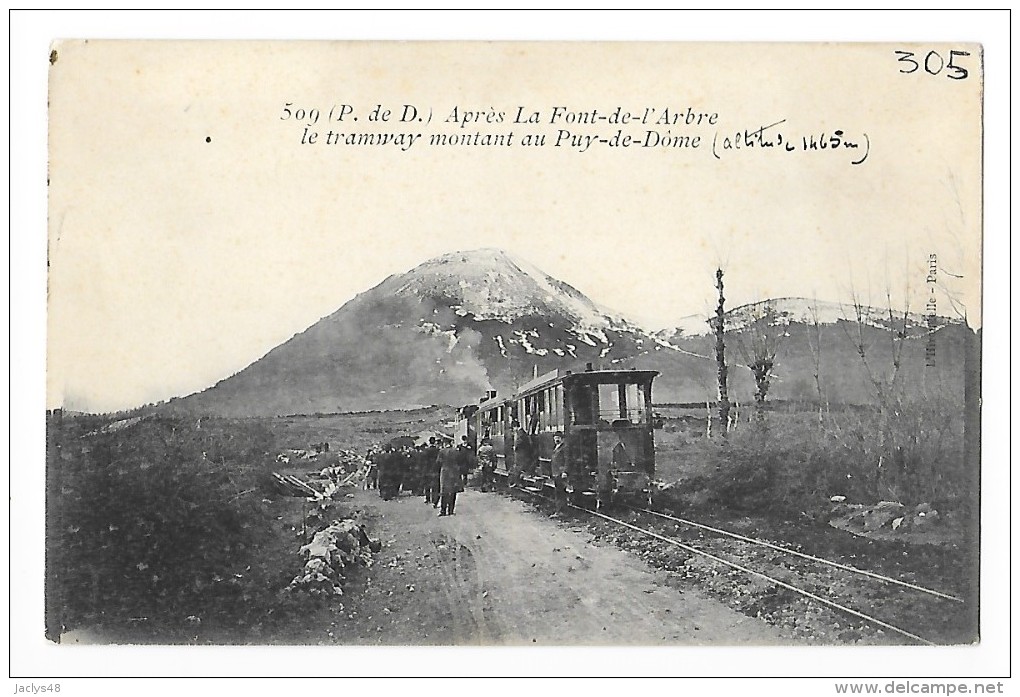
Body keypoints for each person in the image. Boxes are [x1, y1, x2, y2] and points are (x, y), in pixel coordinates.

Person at [437, 441, 462, 517]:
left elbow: (438, 462)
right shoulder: (456, 451)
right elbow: (460, 462)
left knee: (444, 491)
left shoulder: (442, 451)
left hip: (445, 472)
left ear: (445, 443)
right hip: (454, 472)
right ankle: (451, 510)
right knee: (453, 491)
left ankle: (443, 510)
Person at [550, 432, 568, 517]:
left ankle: (560, 511)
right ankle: (560, 510)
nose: (556, 439)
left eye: (558, 438)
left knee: (560, 492)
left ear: (562, 438)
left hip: (561, 473)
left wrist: (565, 471)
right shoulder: (556, 447)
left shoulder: (564, 448)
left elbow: (567, 461)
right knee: (558, 492)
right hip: (556, 473)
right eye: (555, 437)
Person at [423, 438, 441, 507]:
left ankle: (427, 498)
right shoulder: (438, 450)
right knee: (435, 485)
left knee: (427, 484)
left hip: (427, 469)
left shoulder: (426, 450)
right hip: (435, 470)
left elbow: (423, 460)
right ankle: (434, 499)